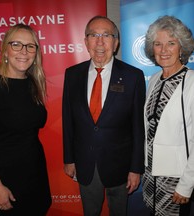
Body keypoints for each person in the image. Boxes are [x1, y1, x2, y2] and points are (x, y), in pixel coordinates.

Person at [62, 15, 146, 216]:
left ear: (115, 43)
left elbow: (137, 127)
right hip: (85, 161)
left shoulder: (133, 76)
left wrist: (135, 168)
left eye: (106, 35)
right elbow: (68, 120)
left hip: (120, 164)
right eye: (94, 35)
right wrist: (69, 159)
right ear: (86, 41)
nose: (100, 41)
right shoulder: (72, 74)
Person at [0, 24, 51, 216]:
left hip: (35, 173)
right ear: (5, 49)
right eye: (17, 44)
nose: (24, 51)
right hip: (5, 179)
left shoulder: (32, 83)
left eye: (30, 46)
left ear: (36, 52)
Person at [142, 15, 194, 216]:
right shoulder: (155, 79)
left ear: (181, 47)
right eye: (158, 44)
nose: (164, 50)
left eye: (171, 43)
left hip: (176, 177)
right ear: (152, 48)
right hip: (151, 172)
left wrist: (186, 185)